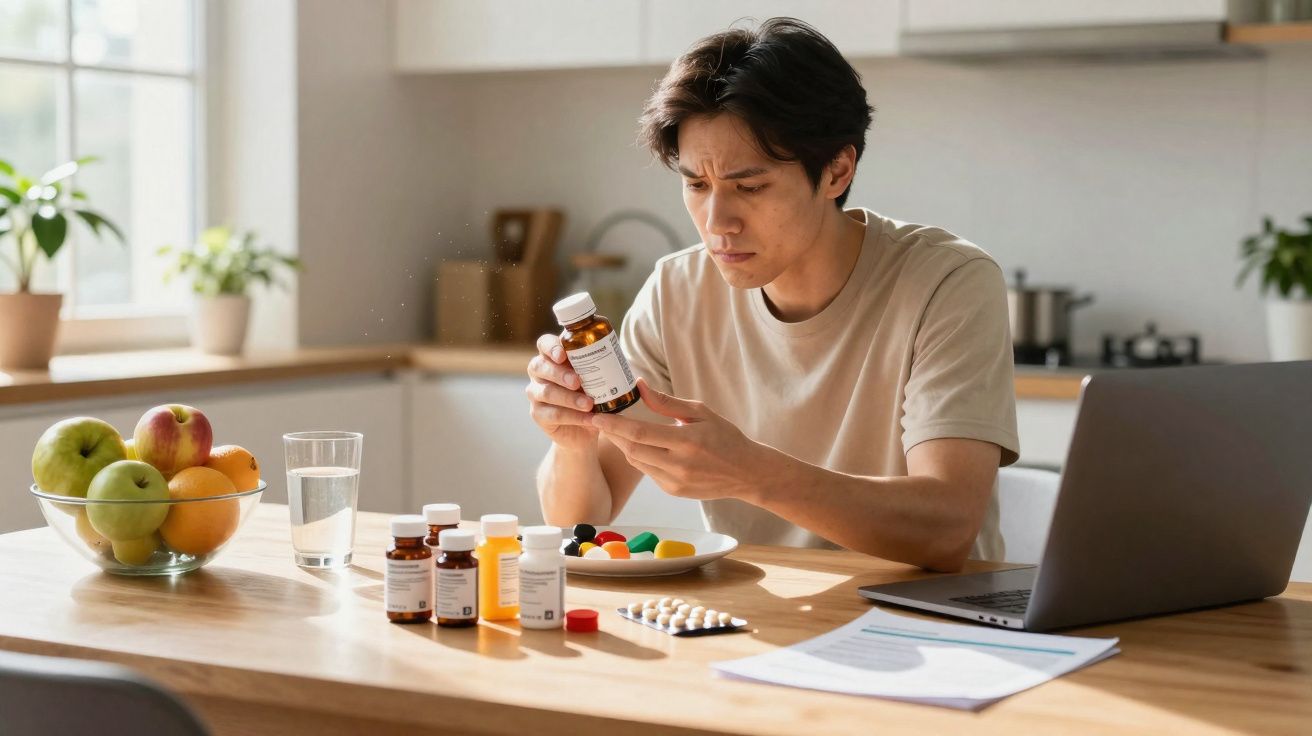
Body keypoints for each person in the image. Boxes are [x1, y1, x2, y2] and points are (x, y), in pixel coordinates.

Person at [526, 18, 1019, 571]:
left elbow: (947, 529)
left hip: (929, 625)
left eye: (750, 187)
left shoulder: (946, 282)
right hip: (759, 623)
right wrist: (573, 442)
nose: (717, 222)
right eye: (696, 185)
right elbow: (579, 524)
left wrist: (753, 473)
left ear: (837, 170)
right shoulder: (676, 291)